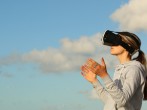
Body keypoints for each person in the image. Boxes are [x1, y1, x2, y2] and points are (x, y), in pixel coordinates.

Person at [81, 30, 147, 110]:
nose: (112, 44)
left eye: (116, 40)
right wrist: (95, 82)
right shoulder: (119, 70)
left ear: (128, 46)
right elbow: (111, 102)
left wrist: (104, 75)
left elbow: (123, 101)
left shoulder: (134, 69)